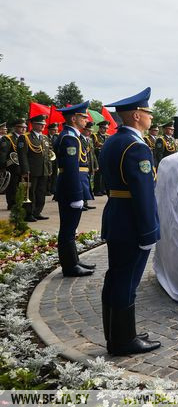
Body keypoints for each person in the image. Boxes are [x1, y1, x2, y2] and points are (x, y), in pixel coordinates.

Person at [100, 88, 162, 355]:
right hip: (132, 222)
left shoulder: (113, 141)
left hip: (117, 216)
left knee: (115, 277)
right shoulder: (136, 147)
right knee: (126, 281)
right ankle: (124, 341)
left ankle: (117, 334)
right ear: (137, 115)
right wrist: (149, 231)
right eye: (148, 113)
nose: (151, 117)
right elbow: (143, 194)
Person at [53, 102, 97, 277]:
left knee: (70, 229)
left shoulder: (73, 136)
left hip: (75, 184)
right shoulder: (69, 138)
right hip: (71, 187)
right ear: (73, 118)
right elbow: (71, 168)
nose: (86, 119)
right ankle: (70, 267)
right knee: (68, 229)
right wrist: (76, 195)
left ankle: (74, 261)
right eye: (83, 116)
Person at [18, 114, 52, 222]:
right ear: (33, 124)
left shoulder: (45, 137)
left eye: (43, 124)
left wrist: (49, 168)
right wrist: (25, 170)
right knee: (30, 193)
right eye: (39, 124)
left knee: (41, 192)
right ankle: (28, 213)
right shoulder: (25, 137)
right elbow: (22, 155)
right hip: (31, 170)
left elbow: (47, 155)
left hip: (43, 169)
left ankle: (37, 212)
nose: (42, 126)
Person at [2, 119, 27, 211]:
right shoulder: (8, 138)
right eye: (21, 127)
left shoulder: (25, 138)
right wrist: (3, 166)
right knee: (12, 186)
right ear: (15, 127)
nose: (23, 129)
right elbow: (3, 153)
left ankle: (20, 202)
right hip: (12, 166)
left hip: (23, 166)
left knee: (22, 186)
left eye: (25, 127)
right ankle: (11, 204)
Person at [80, 122, 97, 210]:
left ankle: (86, 202)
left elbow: (92, 154)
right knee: (82, 185)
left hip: (89, 165)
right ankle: (81, 202)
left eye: (91, 131)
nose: (90, 133)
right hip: (82, 166)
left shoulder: (89, 140)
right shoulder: (79, 139)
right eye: (88, 131)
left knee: (88, 185)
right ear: (83, 130)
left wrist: (95, 165)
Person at [92, 120, 109, 196]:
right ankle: (97, 190)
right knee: (98, 174)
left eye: (106, 128)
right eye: (104, 128)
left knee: (104, 173)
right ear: (100, 128)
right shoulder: (94, 136)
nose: (105, 130)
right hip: (97, 155)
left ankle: (103, 189)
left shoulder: (107, 136)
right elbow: (93, 146)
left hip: (105, 156)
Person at [47, 122, 60, 195]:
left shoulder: (58, 137)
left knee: (55, 174)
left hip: (56, 158)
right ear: (49, 130)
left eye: (56, 130)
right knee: (49, 174)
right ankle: (47, 189)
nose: (56, 131)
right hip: (48, 158)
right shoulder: (46, 137)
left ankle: (53, 189)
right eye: (54, 130)